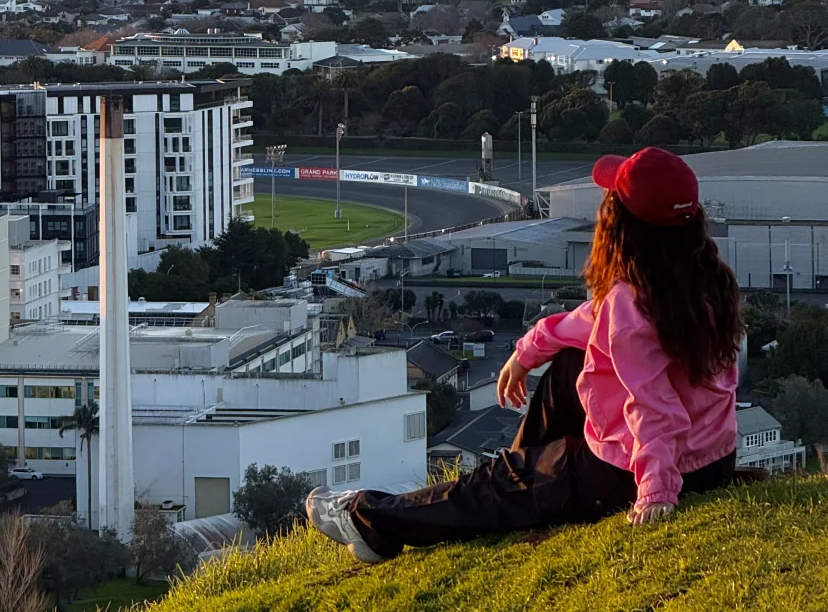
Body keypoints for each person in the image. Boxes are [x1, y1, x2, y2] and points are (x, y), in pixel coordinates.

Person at [307, 147, 742, 563]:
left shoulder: (631, 303)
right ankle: (521, 480)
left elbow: (654, 407)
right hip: (712, 459)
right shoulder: (704, 279)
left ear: (624, 224)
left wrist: (657, 490)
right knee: (570, 362)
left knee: (491, 485)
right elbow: (589, 323)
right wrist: (527, 351)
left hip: (637, 474)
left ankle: (367, 519)